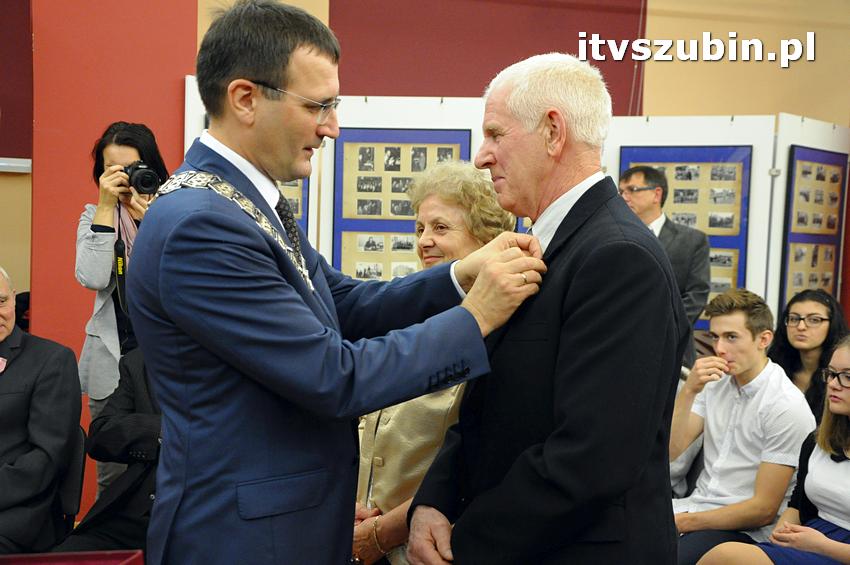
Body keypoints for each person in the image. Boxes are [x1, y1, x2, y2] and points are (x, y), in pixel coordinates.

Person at [126, 3, 545, 564]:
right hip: (243, 539)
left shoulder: (241, 201)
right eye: (318, 106)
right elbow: (332, 376)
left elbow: (342, 302)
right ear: (245, 98)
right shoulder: (202, 225)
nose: (332, 127)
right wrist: (478, 317)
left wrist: (456, 277)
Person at [408, 52, 690, 565]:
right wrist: (433, 501)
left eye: (495, 134)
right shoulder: (542, 243)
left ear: (553, 132)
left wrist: (466, 540)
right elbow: (487, 405)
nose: (481, 156)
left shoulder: (618, 258)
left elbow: (590, 459)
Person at [353, 161, 516, 565]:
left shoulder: (503, 331)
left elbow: (482, 461)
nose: (425, 241)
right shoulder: (408, 313)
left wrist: (382, 530)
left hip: (431, 547)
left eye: (441, 228)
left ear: (488, 238)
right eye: (419, 228)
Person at [669, 288, 816, 564]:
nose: (720, 349)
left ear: (764, 339)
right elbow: (671, 450)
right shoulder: (715, 384)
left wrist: (683, 523)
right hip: (699, 507)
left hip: (746, 530)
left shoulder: (785, 404)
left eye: (731, 337)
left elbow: (762, 510)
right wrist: (688, 391)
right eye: (715, 337)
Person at [699, 334, 850, 564]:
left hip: (833, 549)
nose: (832, 383)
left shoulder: (783, 404)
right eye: (830, 374)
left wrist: (822, 545)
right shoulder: (818, 441)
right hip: (810, 538)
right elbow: (797, 506)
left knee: (725, 556)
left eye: (846, 377)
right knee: (720, 555)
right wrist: (774, 541)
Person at [75, 121, 167, 493]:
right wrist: (105, 207)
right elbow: (94, 277)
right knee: (114, 477)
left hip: (163, 362)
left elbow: (175, 281)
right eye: (113, 170)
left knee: (171, 468)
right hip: (113, 363)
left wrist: (149, 222)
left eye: (132, 168)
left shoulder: (172, 213)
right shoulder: (94, 215)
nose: (125, 177)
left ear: (152, 169)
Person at [0, 266, 81, 554]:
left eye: (2, 302)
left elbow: (47, 457)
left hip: (17, 515)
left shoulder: (51, 360)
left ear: (13, 299)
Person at [51, 348, 160, 552]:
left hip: (203, 513)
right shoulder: (138, 361)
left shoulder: (231, 357)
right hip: (137, 512)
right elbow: (100, 438)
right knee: (64, 556)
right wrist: (163, 429)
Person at [619, 165, 710, 367]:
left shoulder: (692, 240)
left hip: (674, 347)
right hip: (623, 348)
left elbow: (697, 294)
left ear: (656, 194)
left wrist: (656, 327)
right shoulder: (616, 237)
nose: (624, 197)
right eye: (621, 192)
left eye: (632, 190)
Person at [769, 289, 848, 422]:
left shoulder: (840, 376)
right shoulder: (774, 367)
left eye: (814, 320)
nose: (800, 326)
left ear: (832, 325)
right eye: (794, 318)